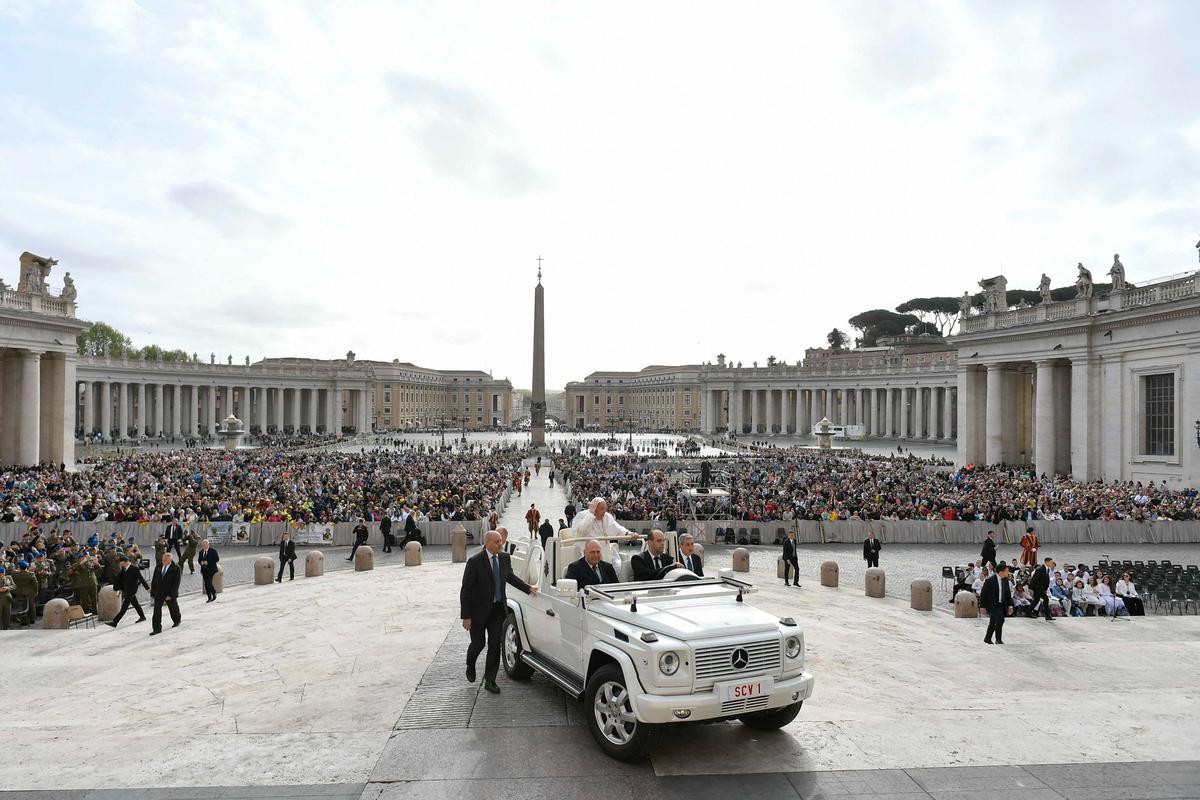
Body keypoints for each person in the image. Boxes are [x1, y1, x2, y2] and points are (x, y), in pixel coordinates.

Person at [460, 530, 538, 694]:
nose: (500, 544)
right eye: (497, 541)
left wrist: (528, 588)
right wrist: (466, 616)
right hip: (478, 612)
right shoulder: (475, 562)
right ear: (487, 543)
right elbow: (466, 590)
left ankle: (490, 680)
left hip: (497, 610)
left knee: (495, 645)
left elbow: (510, 577)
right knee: (478, 644)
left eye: (501, 541)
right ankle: (470, 663)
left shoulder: (504, 558)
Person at [566, 497, 641, 542]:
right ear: (594, 508)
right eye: (602, 509)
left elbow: (617, 528)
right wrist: (591, 515)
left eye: (605, 508)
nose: (604, 511)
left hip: (604, 548)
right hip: (586, 550)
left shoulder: (607, 516)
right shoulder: (582, 515)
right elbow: (582, 530)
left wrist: (629, 533)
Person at [107, 555, 149, 627]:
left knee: (124, 607)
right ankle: (142, 616)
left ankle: (115, 622)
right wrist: (119, 588)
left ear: (126, 562)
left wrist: (147, 588)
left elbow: (141, 579)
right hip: (126, 590)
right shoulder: (124, 569)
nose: (121, 565)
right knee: (136, 604)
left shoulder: (135, 569)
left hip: (131, 590)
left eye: (122, 563)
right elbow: (122, 580)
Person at [980, 561, 1013, 645]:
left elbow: (1008, 593)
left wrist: (1010, 605)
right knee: (1001, 619)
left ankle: (987, 638)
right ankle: (998, 639)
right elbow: (983, 594)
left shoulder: (1005, 580)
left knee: (993, 622)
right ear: (1001, 572)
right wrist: (982, 606)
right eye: (1007, 571)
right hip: (992, 604)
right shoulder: (990, 580)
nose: (1008, 572)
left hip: (1001, 604)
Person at [149, 552, 182, 636]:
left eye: (165, 560)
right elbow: (154, 580)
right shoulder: (158, 566)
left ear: (170, 560)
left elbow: (176, 583)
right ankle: (156, 628)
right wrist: (153, 592)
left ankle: (177, 620)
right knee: (156, 611)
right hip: (158, 593)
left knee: (173, 608)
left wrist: (171, 595)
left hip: (169, 593)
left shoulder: (176, 568)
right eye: (163, 559)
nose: (163, 561)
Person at [1028, 557, 1054, 621]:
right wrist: (1030, 588)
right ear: (1046, 562)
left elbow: (1045, 580)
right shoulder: (1040, 569)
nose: (1052, 563)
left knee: (1036, 600)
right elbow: (1034, 579)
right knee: (1046, 599)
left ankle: (1028, 612)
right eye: (1051, 562)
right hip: (1038, 588)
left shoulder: (1047, 569)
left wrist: (1045, 588)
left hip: (1042, 588)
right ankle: (1047, 616)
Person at [0, 566, 12, 630]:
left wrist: (7, 588)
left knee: (7, 614)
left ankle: (6, 627)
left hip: (7, 598)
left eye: (3, 574)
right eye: (1, 574)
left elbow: (14, 586)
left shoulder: (8, 577)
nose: (2, 575)